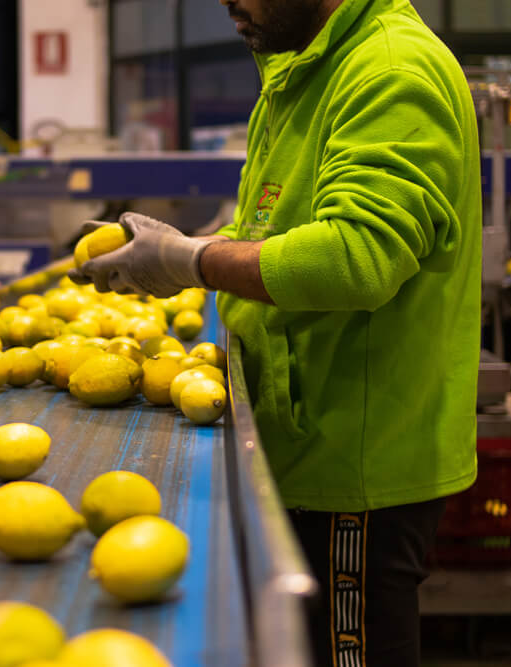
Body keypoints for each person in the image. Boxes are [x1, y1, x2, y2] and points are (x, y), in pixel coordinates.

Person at [69, 0, 481, 665]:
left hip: (355, 459)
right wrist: (182, 250)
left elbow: (357, 256)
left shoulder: (389, 68)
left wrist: (187, 260)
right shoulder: (301, 72)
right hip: (303, 437)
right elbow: (267, 231)